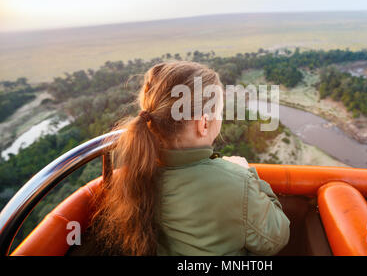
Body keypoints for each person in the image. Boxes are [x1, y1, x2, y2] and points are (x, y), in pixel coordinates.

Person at [83, 61, 290, 256]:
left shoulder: (130, 179)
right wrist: (248, 175)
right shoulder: (237, 184)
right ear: (204, 124)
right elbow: (276, 238)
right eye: (218, 112)